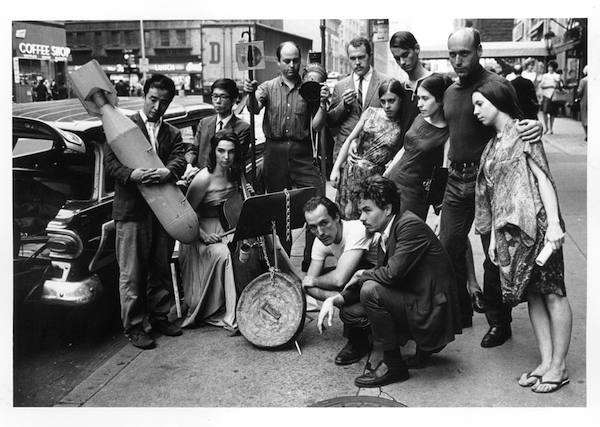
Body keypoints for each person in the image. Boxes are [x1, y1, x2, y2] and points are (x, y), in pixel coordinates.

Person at [440, 27, 542, 345]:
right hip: (456, 179)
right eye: (452, 54)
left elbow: (519, 124)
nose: (457, 60)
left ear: (479, 50)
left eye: (464, 53)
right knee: (448, 247)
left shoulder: (496, 86)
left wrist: (535, 126)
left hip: (490, 183)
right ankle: (463, 311)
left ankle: (499, 321)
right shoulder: (449, 91)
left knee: (494, 255)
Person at [473, 81, 572, 393]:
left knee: (553, 293)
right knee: (533, 295)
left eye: (480, 104)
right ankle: (546, 361)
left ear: (497, 100)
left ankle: (559, 365)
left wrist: (554, 224)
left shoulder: (523, 132)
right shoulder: (492, 145)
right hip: (511, 236)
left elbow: (543, 178)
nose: (475, 111)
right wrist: (491, 239)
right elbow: (492, 195)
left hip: (540, 226)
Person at [317, 176, 461, 387]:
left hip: (432, 309)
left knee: (370, 291)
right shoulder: (389, 229)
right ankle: (421, 347)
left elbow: (391, 275)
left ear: (387, 209)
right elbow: (383, 272)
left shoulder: (409, 226)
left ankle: (393, 364)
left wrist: (360, 275)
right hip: (418, 297)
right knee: (349, 310)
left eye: (367, 210)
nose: (361, 218)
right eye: (360, 212)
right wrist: (335, 299)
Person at [104, 73, 185, 349]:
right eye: (152, 99)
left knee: (160, 266)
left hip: (163, 211)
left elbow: (180, 158)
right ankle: (135, 326)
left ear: (169, 103)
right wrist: (132, 174)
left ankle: (160, 315)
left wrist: (168, 172)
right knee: (132, 272)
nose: (156, 107)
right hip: (131, 212)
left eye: (163, 102)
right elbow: (110, 163)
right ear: (144, 95)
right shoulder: (122, 127)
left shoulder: (172, 133)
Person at [243, 41, 329, 271]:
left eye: (295, 61)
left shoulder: (310, 87)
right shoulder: (267, 87)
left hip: (302, 152)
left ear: (301, 61)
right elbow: (253, 109)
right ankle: (281, 262)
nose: (291, 66)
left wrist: (322, 104)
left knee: (317, 201)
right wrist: (249, 93)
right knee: (278, 208)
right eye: (286, 61)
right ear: (278, 62)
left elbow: (317, 127)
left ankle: (312, 258)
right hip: (275, 153)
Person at [178, 130, 244, 331]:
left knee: (262, 243)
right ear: (213, 151)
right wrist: (203, 235)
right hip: (200, 232)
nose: (226, 157)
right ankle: (229, 311)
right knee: (225, 254)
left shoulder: (234, 172)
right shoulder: (203, 178)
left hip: (227, 226)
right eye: (221, 151)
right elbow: (186, 215)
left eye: (231, 152)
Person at [330, 78, 405, 220]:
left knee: (369, 219)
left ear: (400, 99)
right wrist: (336, 168)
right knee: (346, 218)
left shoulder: (403, 123)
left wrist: (387, 174)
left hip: (375, 177)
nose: (387, 106)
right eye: (383, 101)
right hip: (351, 172)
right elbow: (350, 138)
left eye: (391, 101)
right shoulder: (371, 112)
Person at [327, 37, 390, 162]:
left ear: (370, 56)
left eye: (361, 57)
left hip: (376, 156)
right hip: (344, 157)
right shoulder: (340, 86)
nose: (357, 62)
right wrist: (343, 105)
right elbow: (331, 121)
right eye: (352, 58)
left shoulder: (385, 82)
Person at [185, 78, 251, 173]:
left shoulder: (243, 128)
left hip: (225, 180)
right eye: (215, 96)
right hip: (200, 178)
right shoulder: (204, 123)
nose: (218, 101)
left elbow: (236, 160)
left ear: (233, 100)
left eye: (223, 97)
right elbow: (194, 149)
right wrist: (189, 165)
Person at [539, 60, 562, 135]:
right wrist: (551, 85)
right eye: (549, 67)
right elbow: (542, 85)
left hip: (553, 96)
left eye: (551, 67)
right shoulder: (545, 76)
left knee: (552, 112)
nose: (549, 68)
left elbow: (560, 87)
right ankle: (546, 127)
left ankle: (551, 128)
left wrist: (558, 83)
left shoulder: (557, 76)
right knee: (545, 111)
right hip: (546, 95)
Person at [576, 65, 588, 141]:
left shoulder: (583, 81)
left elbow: (579, 91)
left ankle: (587, 134)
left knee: (584, 117)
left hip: (585, 101)